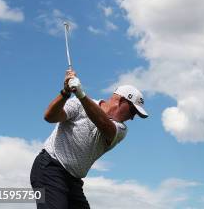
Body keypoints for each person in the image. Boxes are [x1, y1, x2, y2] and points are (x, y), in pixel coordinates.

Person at [30, 69, 148, 208]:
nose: (133, 117)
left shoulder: (121, 129)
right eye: (133, 111)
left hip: (74, 181)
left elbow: (104, 124)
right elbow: (50, 117)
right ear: (121, 101)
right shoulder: (78, 104)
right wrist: (66, 93)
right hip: (50, 168)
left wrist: (81, 94)